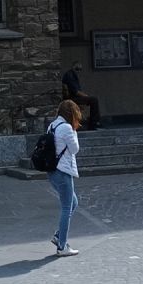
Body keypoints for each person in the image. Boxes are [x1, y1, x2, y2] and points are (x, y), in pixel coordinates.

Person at [46, 99, 83, 256]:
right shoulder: (67, 128)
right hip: (63, 171)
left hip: (53, 171)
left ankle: (58, 236)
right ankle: (62, 246)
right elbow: (75, 149)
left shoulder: (52, 125)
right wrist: (74, 131)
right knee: (67, 207)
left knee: (73, 202)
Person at [60, 63, 102, 130]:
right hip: (72, 98)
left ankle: (94, 123)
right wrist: (86, 97)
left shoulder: (72, 75)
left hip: (73, 97)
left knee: (93, 99)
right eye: (79, 67)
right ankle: (94, 123)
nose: (80, 69)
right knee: (94, 100)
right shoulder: (70, 75)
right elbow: (75, 91)